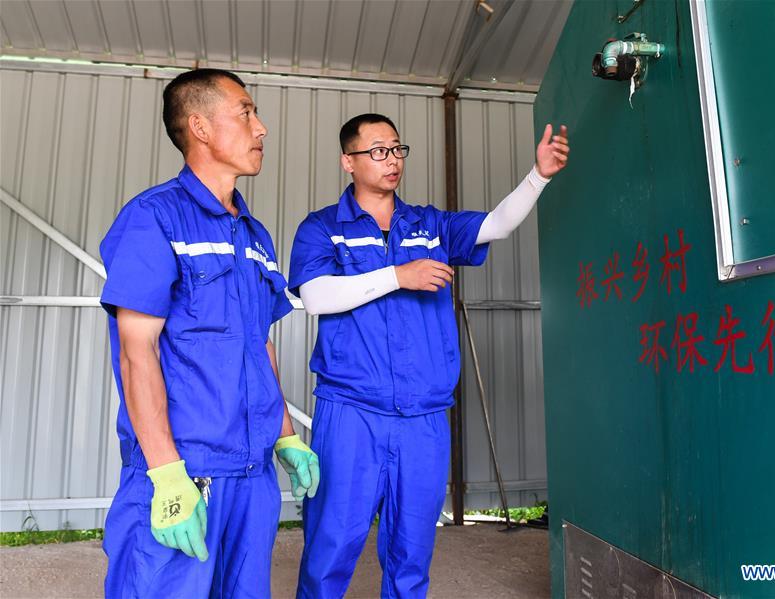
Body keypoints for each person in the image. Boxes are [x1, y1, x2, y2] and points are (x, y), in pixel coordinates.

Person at [288, 113, 569, 598]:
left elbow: (497, 225)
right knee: (330, 548)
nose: (392, 160)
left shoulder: (429, 226)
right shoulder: (323, 228)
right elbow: (316, 297)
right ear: (348, 161)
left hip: (423, 416)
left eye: (397, 149)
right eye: (378, 151)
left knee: (412, 552)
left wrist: (537, 177)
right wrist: (400, 275)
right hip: (352, 412)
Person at [99, 68, 320, 598]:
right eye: (246, 112)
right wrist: (166, 475)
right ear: (199, 127)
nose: (261, 128)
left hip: (252, 475)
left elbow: (260, 344)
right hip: (186, 470)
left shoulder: (254, 235)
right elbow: (136, 352)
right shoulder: (155, 218)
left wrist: (286, 435)